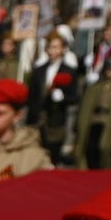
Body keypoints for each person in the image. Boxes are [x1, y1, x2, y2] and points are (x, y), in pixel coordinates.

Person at [28, 30, 78, 165]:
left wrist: (63, 98)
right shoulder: (38, 70)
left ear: (63, 49)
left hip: (56, 122)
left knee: (53, 157)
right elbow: (32, 97)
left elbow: (74, 97)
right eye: (50, 47)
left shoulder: (69, 71)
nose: (52, 51)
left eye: (56, 47)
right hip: (38, 121)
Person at [74, 58, 111, 170]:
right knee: (91, 146)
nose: (110, 72)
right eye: (108, 69)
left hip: (109, 120)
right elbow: (86, 102)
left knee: (105, 147)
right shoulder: (96, 86)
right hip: (95, 119)